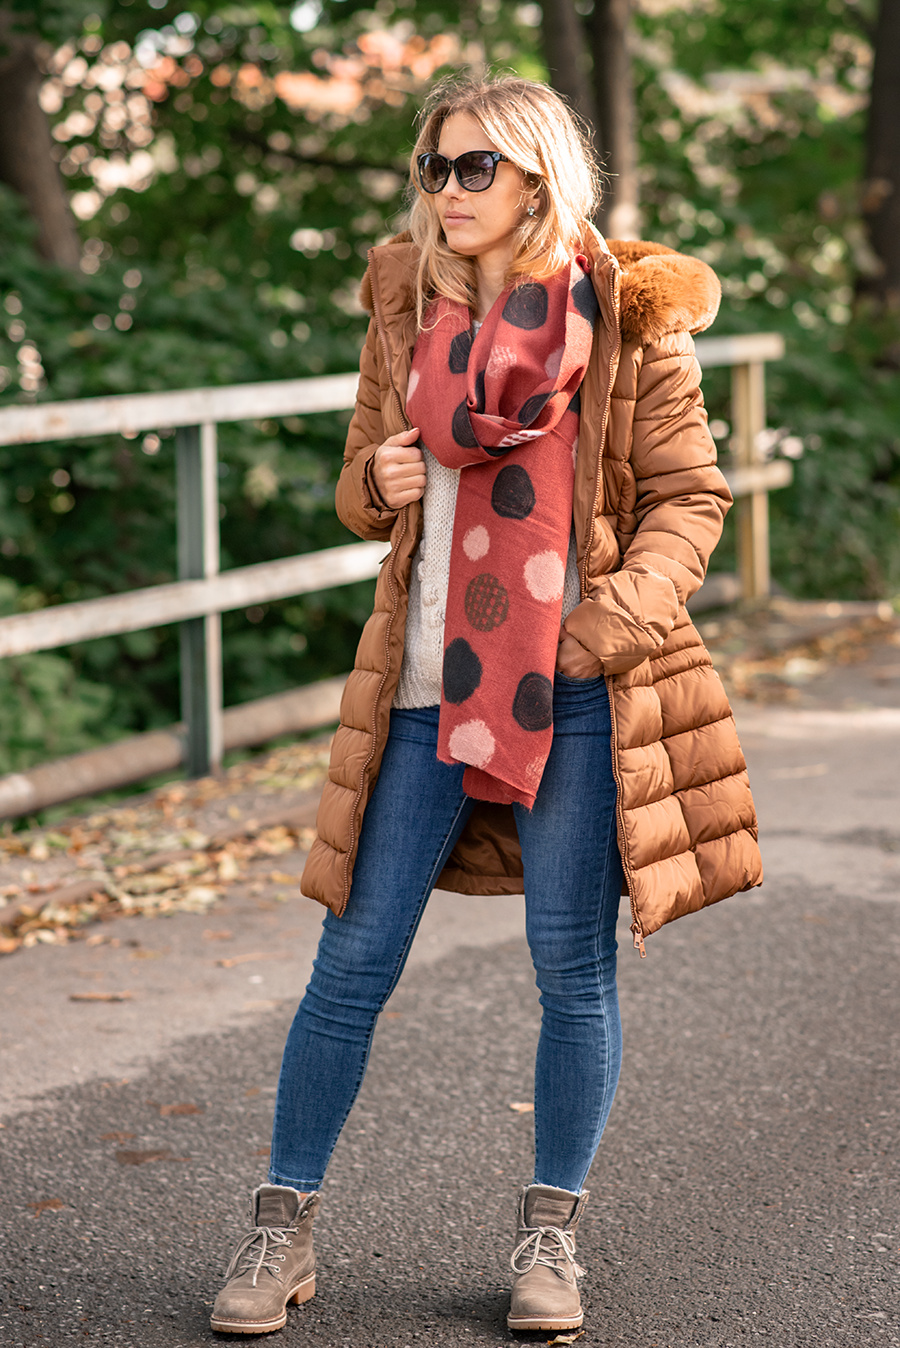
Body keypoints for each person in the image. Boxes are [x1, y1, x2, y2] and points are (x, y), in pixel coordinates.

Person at [210, 74, 763, 1337]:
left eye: (475, 167)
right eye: (435, 167)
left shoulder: (626, 314)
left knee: (572, 971)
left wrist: (603, 626)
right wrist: (377, 476)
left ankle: (551, 1239)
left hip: (570, 690)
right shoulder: (406, 303)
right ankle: (282, 1227)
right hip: (420, 688)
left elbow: (691, 499)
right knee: (351, 963)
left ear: (537, 176)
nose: (448, 190)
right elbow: (360, 487)